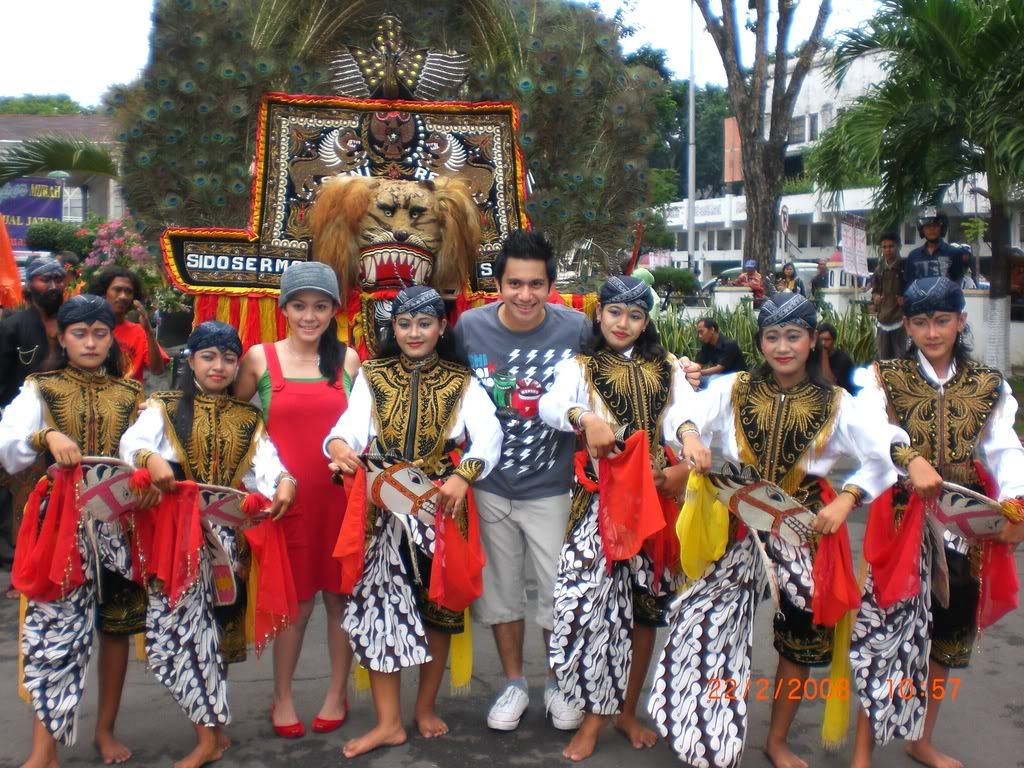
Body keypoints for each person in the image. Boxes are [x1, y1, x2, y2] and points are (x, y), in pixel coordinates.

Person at [652, 292, 898, 768]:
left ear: (812, 341)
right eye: (772, 337)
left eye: (793, 336)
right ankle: (706, 732)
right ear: (760, 341)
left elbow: (887, 452)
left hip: (803, 527)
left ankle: (777, 740)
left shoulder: (838, 403)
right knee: (707, 617)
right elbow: (684, 415)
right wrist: (690, 438)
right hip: (740, 520)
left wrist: (848, 498)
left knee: (803, 633)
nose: (782, 347)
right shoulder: (734, 388)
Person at [849, 277, 1024, 768]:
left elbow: (1003, 447)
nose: (932, 332)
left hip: (965, 528)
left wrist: (1016, 501)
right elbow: (870, 430)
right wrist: (910, 457)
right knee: (886, 635)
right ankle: (862, 753)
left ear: (960, 322)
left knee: (947, 637)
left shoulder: (989, 385)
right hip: (904, 522)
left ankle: (921, 738)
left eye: (942, 320)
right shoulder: (883, 377)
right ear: (907, 325)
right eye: (921, 322)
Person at [324, 285, 502, 758]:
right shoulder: (374, 374)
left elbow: (489, 435)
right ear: (393, 328)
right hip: (384, 510)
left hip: (441, 507)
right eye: (404, 324)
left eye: (425, 323)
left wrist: (464, 477)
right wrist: (339, 447)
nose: (414, 332)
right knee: (382, 610)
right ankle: (388, 722)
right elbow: (350, 425)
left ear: (442, 328)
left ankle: (424, 707)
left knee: (439, 613)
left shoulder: (461, 378)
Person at [120, 321, 296, 768]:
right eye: (209, 357)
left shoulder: (248, 418)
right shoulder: (163, 405)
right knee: (173, 636)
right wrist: (152, 458)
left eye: (228, 358)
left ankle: (211, 736)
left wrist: (284, 484)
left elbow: (268, 465)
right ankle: (211, 731)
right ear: (191, 360)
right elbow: (132, 444)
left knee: (211, 639)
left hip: (226, 545)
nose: (219, 366)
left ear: (238, 364)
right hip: (175, 542)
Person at [538, 276, 696, 762]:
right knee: (585, 608)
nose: (623, 324)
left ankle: (624, 713)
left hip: (656, 503)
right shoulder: (580, 365)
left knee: (645, 611)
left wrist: (688, 452)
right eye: (614, 313)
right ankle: (592, 714)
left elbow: (682, 416)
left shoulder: (666, 366)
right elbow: (548, 405)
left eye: (635, 316)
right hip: (598, 506)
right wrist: (584, 418)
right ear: (599, 313)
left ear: (646, 321)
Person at [0, 294, 155, 768]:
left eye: (100, 333)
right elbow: (7, 447)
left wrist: (148, 471)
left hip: (119, 527)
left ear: (112, 339)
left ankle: (105, 731)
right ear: (61, 338)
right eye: (80, 333)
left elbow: (144, 449)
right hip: (59, 529)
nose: (90, 342)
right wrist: (44, 435)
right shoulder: (39, 389)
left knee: (116, 629)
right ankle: (44, 748)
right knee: (53, 635)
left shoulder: (131, 395)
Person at [453, 230, 592, 733]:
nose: (526, 295)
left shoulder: (576, 328)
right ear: (498, 284)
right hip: (487, 485)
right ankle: (513, 684)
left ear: (552, 284)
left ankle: (558, 683)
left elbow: (616, 369)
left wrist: (679, 369)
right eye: (515, 283)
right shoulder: (470, 327)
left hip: (553, 486)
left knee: (561, 590)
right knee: (501, 592)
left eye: (536, 284)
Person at [235, 262, 361, 738]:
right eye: (300, 305)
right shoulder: (258, 360)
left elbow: (364, 428)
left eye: (320, 306)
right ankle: (282, 696)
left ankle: (336, 691)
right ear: (284, 307)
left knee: (341, 601)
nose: (310, 316)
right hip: (287, 502)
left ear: (334, 310)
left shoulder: (349, 362)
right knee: (296, 604)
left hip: (340, 501)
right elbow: (238, 422)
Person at [87, 266, 168, 383]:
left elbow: (157, 370)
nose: (123, 296)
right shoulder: (88, 328)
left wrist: (149, 332)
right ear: (104, 293)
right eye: (117, 290)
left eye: (128, 291)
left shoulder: (140, 332)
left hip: (130, 398)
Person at [903, 208, 965, 285]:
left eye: (935, 225)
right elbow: (909, 284)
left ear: (942, 228)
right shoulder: (913, 255)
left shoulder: (954, 253)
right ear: (922, 229)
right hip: (920, 297)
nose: (932, 229)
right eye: (928, 226)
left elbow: (957, 284)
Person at [871, 232, 906, 360]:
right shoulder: (879, 269)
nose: (887, 250)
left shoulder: (905, 267)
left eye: (891, 246)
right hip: (882, 321)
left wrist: (906, 299)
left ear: (898, 247)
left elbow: (914, 290)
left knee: (900, 361)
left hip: (901, 321)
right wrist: (875, 297)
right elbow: (874, 291)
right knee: (883, 361)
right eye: (884, 247)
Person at [695, 317, 746, 383]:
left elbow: (719, 369)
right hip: (721, 377)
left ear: (712, 330)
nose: (699, 336)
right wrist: (690, 370)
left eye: (701, 332)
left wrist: (699, 372)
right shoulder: (707, 345)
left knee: (712, 380)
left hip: (738, 379)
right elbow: (699, 364)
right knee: (694, 379)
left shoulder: (729, 344)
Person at [817, 323, 856, 394]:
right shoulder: (815, 355)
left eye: (827, 339)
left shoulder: (843, 359)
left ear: (833, 341)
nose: (823, 343)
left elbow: (831, 385)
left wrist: (824, 357)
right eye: (820, 340)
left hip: (843, 397)